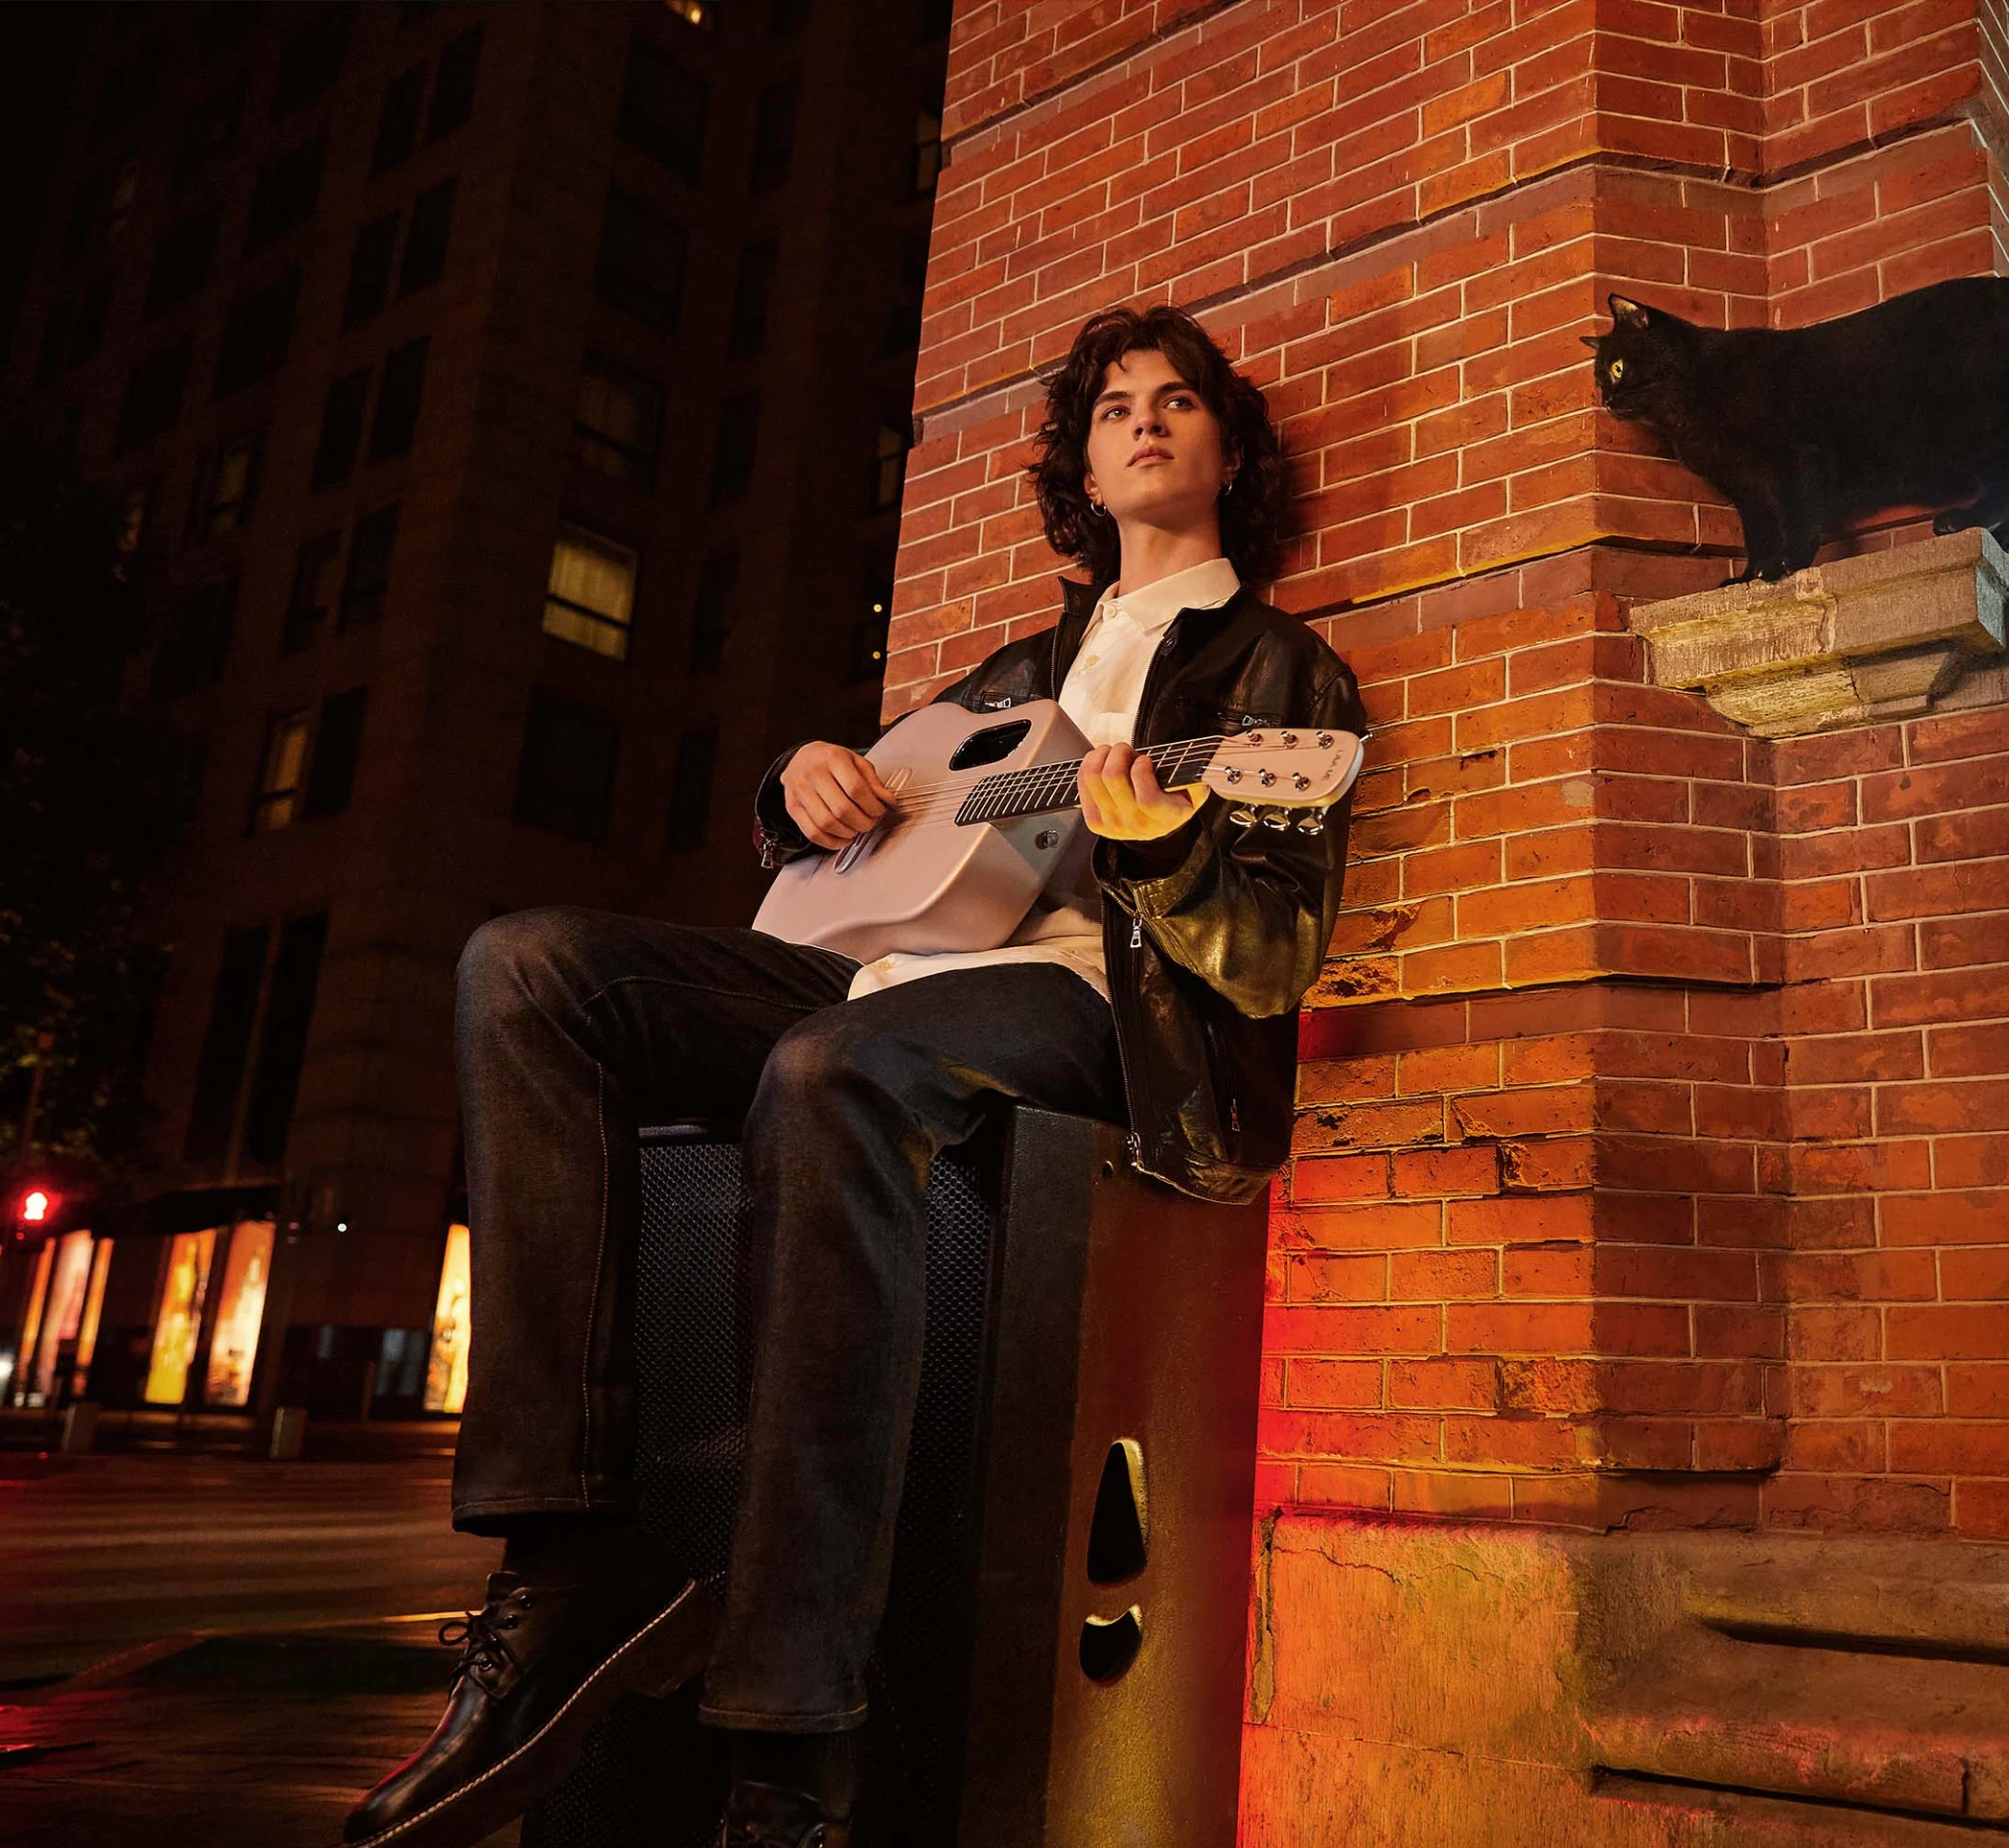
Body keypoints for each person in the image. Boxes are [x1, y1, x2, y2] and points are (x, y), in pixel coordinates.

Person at [342, 305, 1361, 1848]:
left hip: (1095, 1017)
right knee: (525, 965)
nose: (1144, 422)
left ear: (1230, 449)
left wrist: (1165, 848)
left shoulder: (1280, 673)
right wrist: (803, 781)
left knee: (832, 1068)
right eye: (1112, 409)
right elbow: (882, 833)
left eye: (1179, 403)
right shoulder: (1020, 666)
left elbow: (1272, 967)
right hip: (884, 983)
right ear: (1082, 465)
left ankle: (793, 1735)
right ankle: (560, 1560)